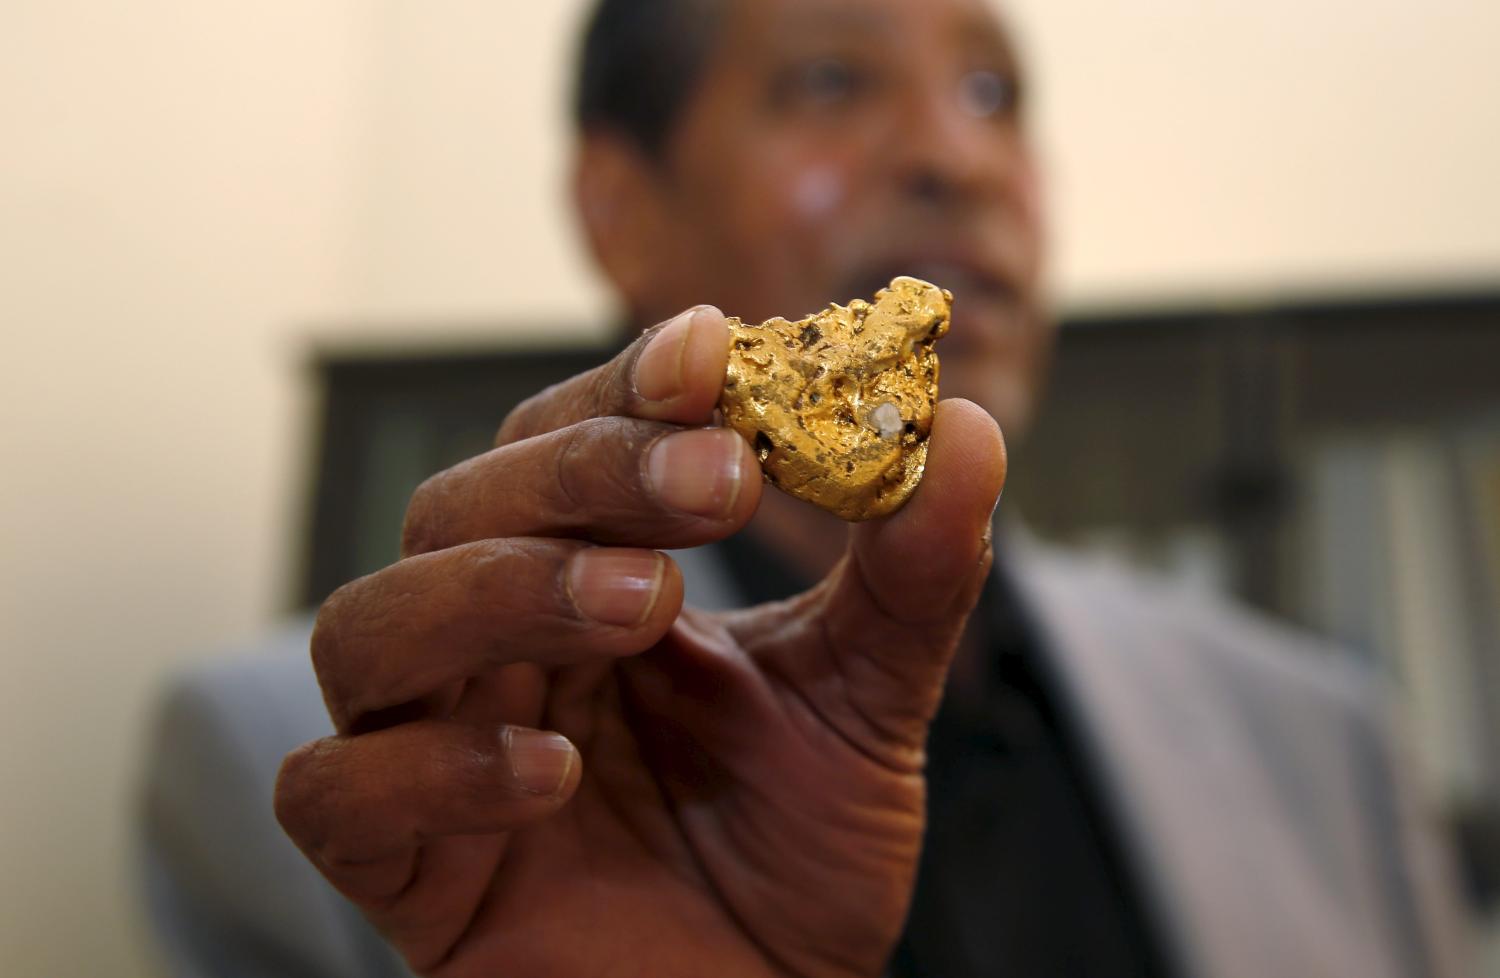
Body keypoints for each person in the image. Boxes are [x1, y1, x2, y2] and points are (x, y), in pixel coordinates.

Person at [140, 1, 1474, 976]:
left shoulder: (1331, 749)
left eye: (995, 95)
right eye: (832, 79)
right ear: (618, 206)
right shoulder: (338, 775)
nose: (956, 156)